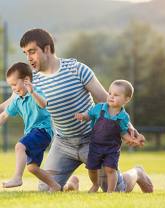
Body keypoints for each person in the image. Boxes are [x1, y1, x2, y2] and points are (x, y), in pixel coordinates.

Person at [0, 28, 153, 193]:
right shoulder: (31, 80)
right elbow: (6, 105)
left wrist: (129, 126)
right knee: (46, 189)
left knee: (115, 189)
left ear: (46, 49)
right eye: (25, 53)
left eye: (32, 52)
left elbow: (104, 98)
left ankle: (137, 172)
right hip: (62, 144)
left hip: (92, 140)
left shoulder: (77, 69)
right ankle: (71, 183)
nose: (28, 58)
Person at [1, 62, 61, 192]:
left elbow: (44, 104)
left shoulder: (36, 92)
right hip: (32, 133)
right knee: (32, 168)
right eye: (11, 86)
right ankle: (55, 186)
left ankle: (17, 177)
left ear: (26, 80)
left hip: (43, 131)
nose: (13, 89)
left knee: (19, 146)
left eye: (15, 84)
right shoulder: (17, 99)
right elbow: (4, 115)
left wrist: (33, 92)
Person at [75, 80, 142, 193]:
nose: (111, 97)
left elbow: (123, 132)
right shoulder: (99, 108)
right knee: (92, 168)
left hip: (112, 148)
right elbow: (89, 115)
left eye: (116, 95)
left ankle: (110, 192)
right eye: (110, 93)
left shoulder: (123, 117)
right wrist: (82, 116)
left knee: (110, 169)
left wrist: (131, 139)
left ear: (126, 99)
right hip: (95, 146)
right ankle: (95, 185)